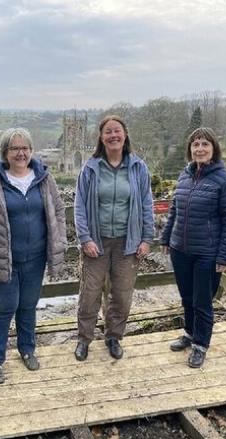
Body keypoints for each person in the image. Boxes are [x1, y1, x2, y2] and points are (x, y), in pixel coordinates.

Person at [0, 128, 67, 384]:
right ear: (5, 153)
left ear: (31, 151)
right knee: (2, 310)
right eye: (15, 148)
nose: (21, 153)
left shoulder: (44, 179)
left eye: (25, 148)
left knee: (27, 306)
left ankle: (27, 349)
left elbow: (58, 213)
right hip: (3, 259)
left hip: (35, 259)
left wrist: (59, 246)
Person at [74, 115, 154, 361]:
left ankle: (114, 337)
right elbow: (79, 207)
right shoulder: (91, 168)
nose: (113, 135)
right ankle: (84, 339)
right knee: (90, 293)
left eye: (117, 131)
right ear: (101, 137)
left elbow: (146, 204)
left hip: (127, 243)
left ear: (125, 134)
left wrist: (146, 239)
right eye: (108, 132)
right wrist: (85, 238)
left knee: (121, 294)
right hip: (96, 243)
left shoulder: (138, 167)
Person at [160, 127, 226, 368]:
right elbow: (175, 210)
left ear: (214, 148)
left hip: (207, 252)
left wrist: (225, 256)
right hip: (180, 250)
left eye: (205, 144)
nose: (200, 149)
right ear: (190, 150)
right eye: (195, 145)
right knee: (186, 297)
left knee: (202, 300)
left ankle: (201, 345)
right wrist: (166, 238)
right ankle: (190, 333)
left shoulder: (225, 181)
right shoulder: (185, 176)